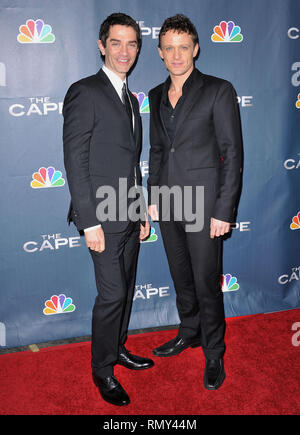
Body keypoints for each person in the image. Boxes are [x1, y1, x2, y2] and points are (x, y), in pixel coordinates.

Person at [147, 14, 242, 390]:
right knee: (181, 278)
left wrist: (223, 210)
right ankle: (190, 332)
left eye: (183, 47)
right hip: (169, 202)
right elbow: (157, 151)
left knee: (205, 282)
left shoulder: (218, 89)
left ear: (196, 48)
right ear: (159, 52)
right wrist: (154, 197)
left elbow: (232, 154)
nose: (176, 55)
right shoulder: (155, 95)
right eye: (169, 47)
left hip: (204, 207)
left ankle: (214, 351)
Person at [63, 13, 152, 407]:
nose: (124, 51)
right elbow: (75, 161)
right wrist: (89, 221)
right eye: (116, 42)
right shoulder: (84, 91)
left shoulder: (133, 99)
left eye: (131, 43)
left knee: (127, 290)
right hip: (101, 217)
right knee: (112, 294)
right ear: (102, 46)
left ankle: (117, 349)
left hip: (130, 213)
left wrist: (143, 210)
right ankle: (102, 369)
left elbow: (132, 163)